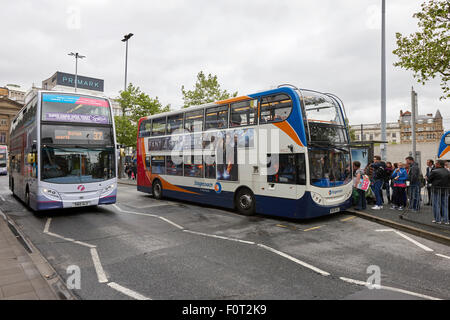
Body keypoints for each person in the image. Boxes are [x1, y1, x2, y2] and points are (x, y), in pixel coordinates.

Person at [428, 160, 450, 225]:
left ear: (439, 164)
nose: (435, 164)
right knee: (445, 205)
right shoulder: (447, 171)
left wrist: (428, 179)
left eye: (436, 163)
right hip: (446, 190)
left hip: (436, 189)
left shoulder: (434, 171)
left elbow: (429, 180)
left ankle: (438, 219)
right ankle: (446, 220)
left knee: (436, 205)